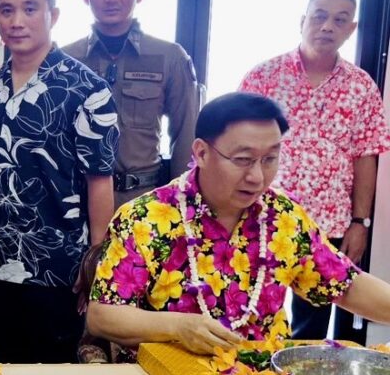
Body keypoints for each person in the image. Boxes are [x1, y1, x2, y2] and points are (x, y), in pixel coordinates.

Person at [88, 93, 390, 356]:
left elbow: (345, 285)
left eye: (270, 159)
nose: (257, 177)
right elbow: (102, 316)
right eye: (243, 159)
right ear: (201, 153)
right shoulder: (146, 218)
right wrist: (178, 327)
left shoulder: (283, 216)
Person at [0, 0, 119, 364]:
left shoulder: (87, 89)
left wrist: (95, 261)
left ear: (52, 14)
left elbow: (100, 181)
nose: (16, 21)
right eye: (6, 10)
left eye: (30, 9)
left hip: (58, 268)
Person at [240, 0, 390, 343]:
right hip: (263, 216)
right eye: (319, 16)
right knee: (251, 311)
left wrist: (360, 222)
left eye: (339, 20)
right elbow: (235, 142)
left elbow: (366, 157)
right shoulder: (264, 76)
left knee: (312, 324)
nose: (327, 26)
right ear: (302, 20)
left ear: (351, 29)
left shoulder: (361, 87)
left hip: (328, 224)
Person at [62, 0, 200, 208]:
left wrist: (180, 203)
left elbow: (186, 137)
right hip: (78, 202)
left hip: (144, 202)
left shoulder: (170, 57)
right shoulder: (66, 60)